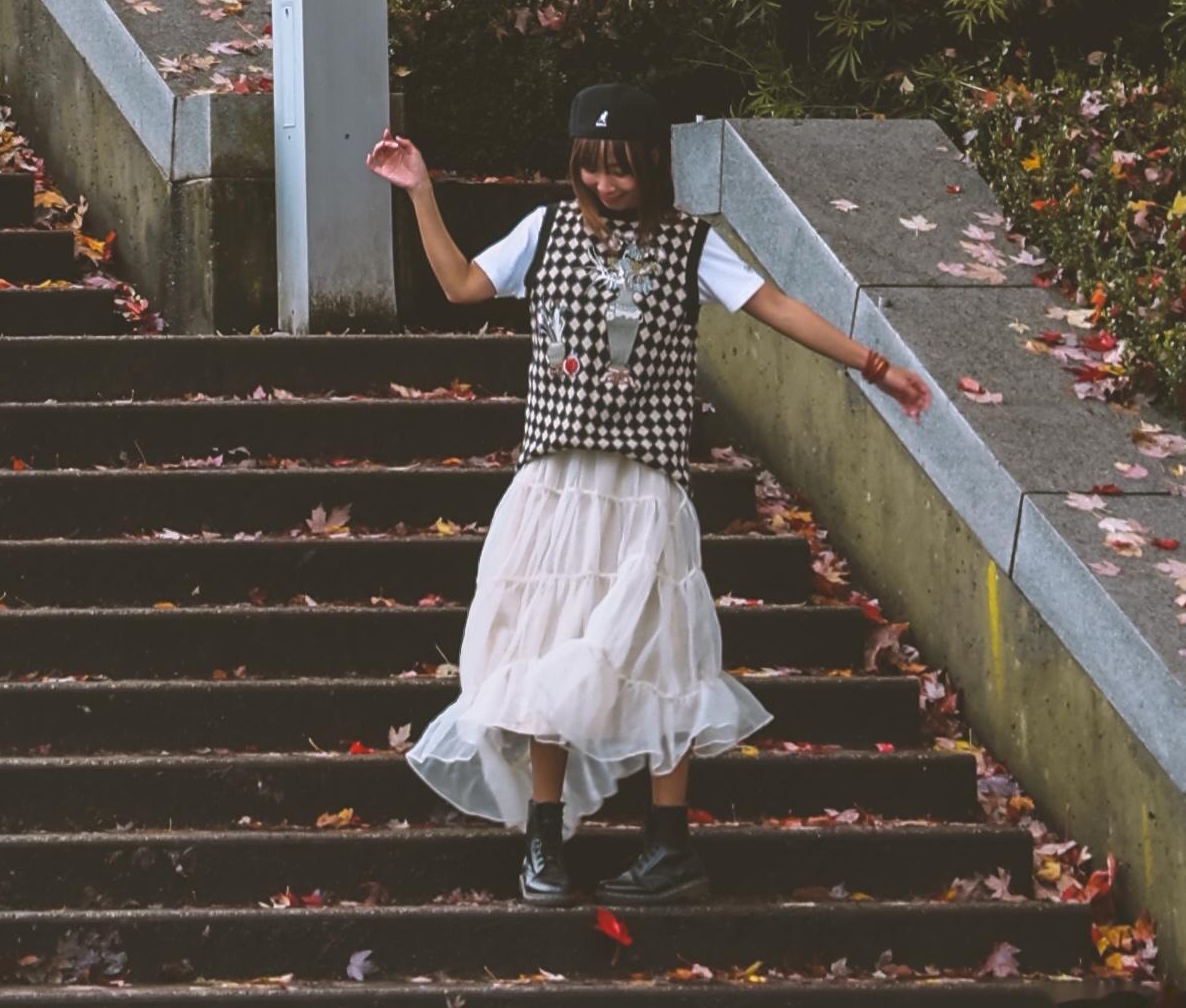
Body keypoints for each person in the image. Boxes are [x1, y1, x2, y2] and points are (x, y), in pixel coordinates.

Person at [369, 85, 931, 907]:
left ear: (652, 167)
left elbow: (772, 305)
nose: (606, 183)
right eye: (593, 167)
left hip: (644, 483)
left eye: (622, 169)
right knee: (544, 654)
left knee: (665, 654)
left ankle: (670, 846)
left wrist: (874, 367)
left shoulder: (689, 244)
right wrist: (421, 192)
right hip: (557, 481)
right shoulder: (546, 229)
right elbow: (460, 286)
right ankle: (544, 839)